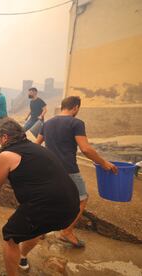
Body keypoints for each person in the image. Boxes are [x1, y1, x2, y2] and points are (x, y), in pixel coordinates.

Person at [0, 120, 80, 276]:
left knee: (10, 236)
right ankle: (22, 257)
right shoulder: (36, 148)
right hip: (72, 206)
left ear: (5, 137)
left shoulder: (5, 155)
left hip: (47, 207)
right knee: (33, 230)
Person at [36, 96, 117, 247]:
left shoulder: (47, 123)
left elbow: (36, 145)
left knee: (52, 199)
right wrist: (104, 162)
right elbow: (85, 148)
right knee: (82, 198)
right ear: (75, 108)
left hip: (50, 169)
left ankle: (41, 229)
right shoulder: (76, 123)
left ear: (62, 107)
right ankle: (66, 231)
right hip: (69, 170)